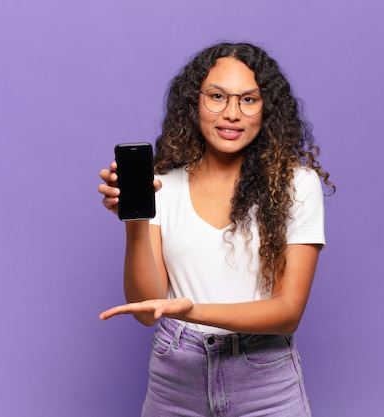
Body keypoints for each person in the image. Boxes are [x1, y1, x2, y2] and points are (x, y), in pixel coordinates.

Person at [98, 42, 334, 417]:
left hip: (264, 380)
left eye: (248, 100)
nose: (231, 114)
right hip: (175, 377)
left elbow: (288, 312)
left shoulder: (296, 184)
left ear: (266, 110)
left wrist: (191, 310)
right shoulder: (161, 182)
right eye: (217, 97)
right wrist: (135, 221)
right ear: (194, 102)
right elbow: (147, 310)